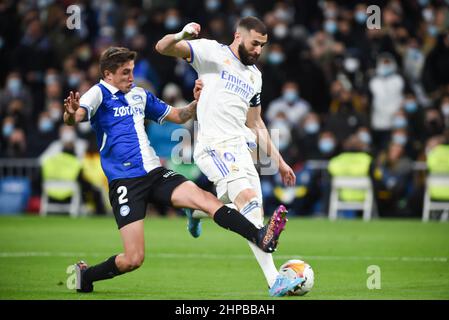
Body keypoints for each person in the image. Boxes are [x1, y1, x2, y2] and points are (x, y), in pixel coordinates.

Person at [63, 46, 295, 296]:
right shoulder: (97, 93)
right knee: (133, 258)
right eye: (125, 72)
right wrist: (70, 112)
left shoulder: (140, 95)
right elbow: (76, 116)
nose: (132, 77)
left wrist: (197, 101)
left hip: (155, 173)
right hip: (125, 183)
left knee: (206, 200)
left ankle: (260, 235)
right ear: (108, 74)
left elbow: (179, 115)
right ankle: (86, 275)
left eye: (132, 71)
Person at [155, 16, 299, 296]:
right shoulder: (211, 52)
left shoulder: (255, 76)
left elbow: (256, 124)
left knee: (249, 209)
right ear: (238, 36)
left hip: (240, 147)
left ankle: (195, 210)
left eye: (263, 46)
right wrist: (181, 34)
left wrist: (279, 162)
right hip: (212, 145)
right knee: (248, 203)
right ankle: (274, 281)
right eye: (255, 43)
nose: (258, 50)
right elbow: (162, 47)